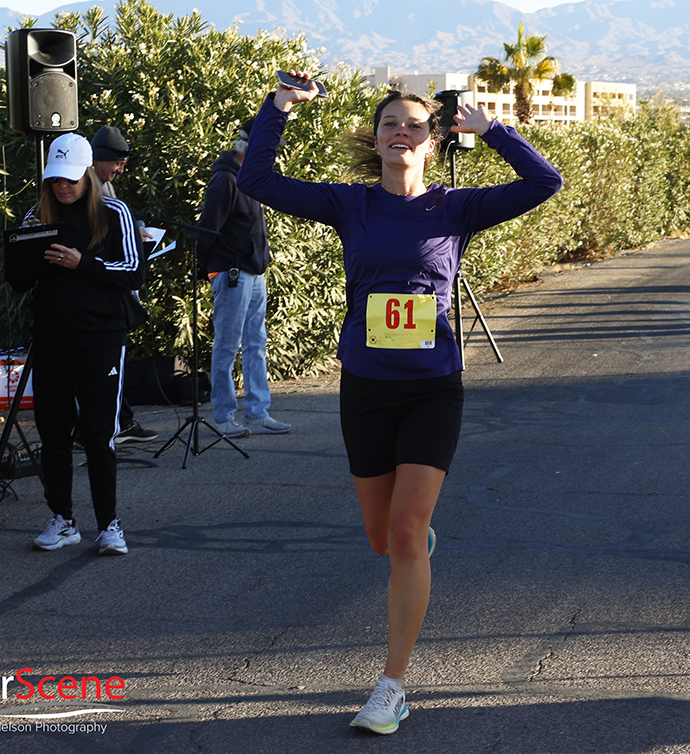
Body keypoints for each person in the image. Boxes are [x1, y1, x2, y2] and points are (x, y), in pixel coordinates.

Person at [237, 73, 562, 733]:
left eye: (414, 124)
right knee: (382, 538)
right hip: (365, 384)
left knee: (407, 535)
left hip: (432, 388)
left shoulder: (456, 209)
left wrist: (493, 131)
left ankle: (390, 686)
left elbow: (543, 183)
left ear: (433, 139)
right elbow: (258, 182)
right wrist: (276, 111)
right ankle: (411, 538)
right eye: (391, 124)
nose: (402, 132)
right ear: (378, 139)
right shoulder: (350, 205)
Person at [26, 133, 144, 556]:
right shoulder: (37, 214)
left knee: (98, 434)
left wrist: (82, 263)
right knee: (53, 431)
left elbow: (133, 272)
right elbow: (19, 275)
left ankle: (109, 524)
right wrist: (25, 257)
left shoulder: (114, 212)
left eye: (70, 180)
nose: (63, 188)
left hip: (101, 339)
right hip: (52, 339)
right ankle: (62, 519)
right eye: (55, 180)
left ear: (89, 175)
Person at [196, 119, 291, 439]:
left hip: (253, 273)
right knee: (226, 346)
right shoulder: (225, 180)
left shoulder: (249, 179)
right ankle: (223, 415)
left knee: (256, 344)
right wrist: (206, 270)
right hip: (233, 273)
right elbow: (208, 229)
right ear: (246, 149)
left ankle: (257, 411)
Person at [90, 125, 158, 445]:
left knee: (110, 367)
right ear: (99, 159)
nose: (120, 169)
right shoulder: (87, 188)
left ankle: (122, 421)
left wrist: (137, 230)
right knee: (101, 369)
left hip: (110, 288)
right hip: (99, 293)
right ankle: (109, 428)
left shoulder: (105, 186)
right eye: (117, 163)